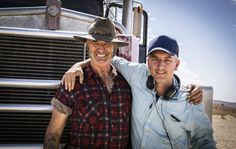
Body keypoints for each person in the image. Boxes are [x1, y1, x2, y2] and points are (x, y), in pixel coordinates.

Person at [62, 35, 214, 149]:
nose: (160, 66)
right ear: (147, 61)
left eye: (167, 60)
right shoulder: (136, 74)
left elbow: (205, 142)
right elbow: (106, 57)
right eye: (155, 59)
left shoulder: (190, 99)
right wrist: (78, 65)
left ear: (177, 64)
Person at [44, 17, 132, 148]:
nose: (101, 48)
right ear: (87, 43)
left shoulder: (126, 84)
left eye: (107, 43)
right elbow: (54, 132)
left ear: (114, 47)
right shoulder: (73, 82)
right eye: (95, 42)